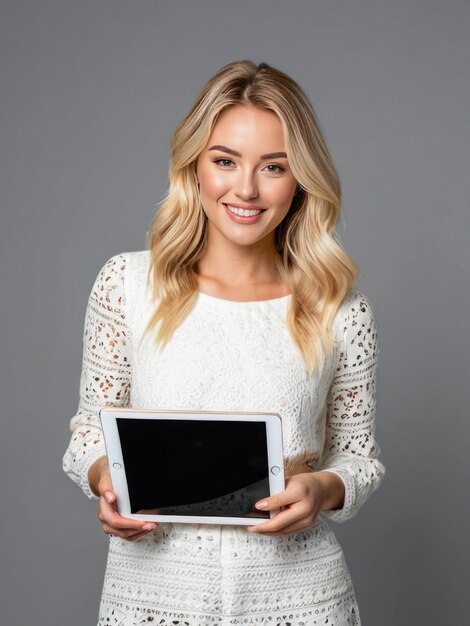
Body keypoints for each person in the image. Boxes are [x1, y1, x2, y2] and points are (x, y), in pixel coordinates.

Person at [63, 59, 385, 626]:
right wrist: (105, 479)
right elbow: (90, 429)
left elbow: (359, 459)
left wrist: (320, 488)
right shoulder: (126, 284)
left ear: (301, 179)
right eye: (225, 161)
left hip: (299, 598)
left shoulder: (340, 310)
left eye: (274, 167)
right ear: (195, 166)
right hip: (153, 596)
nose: (246, 188)